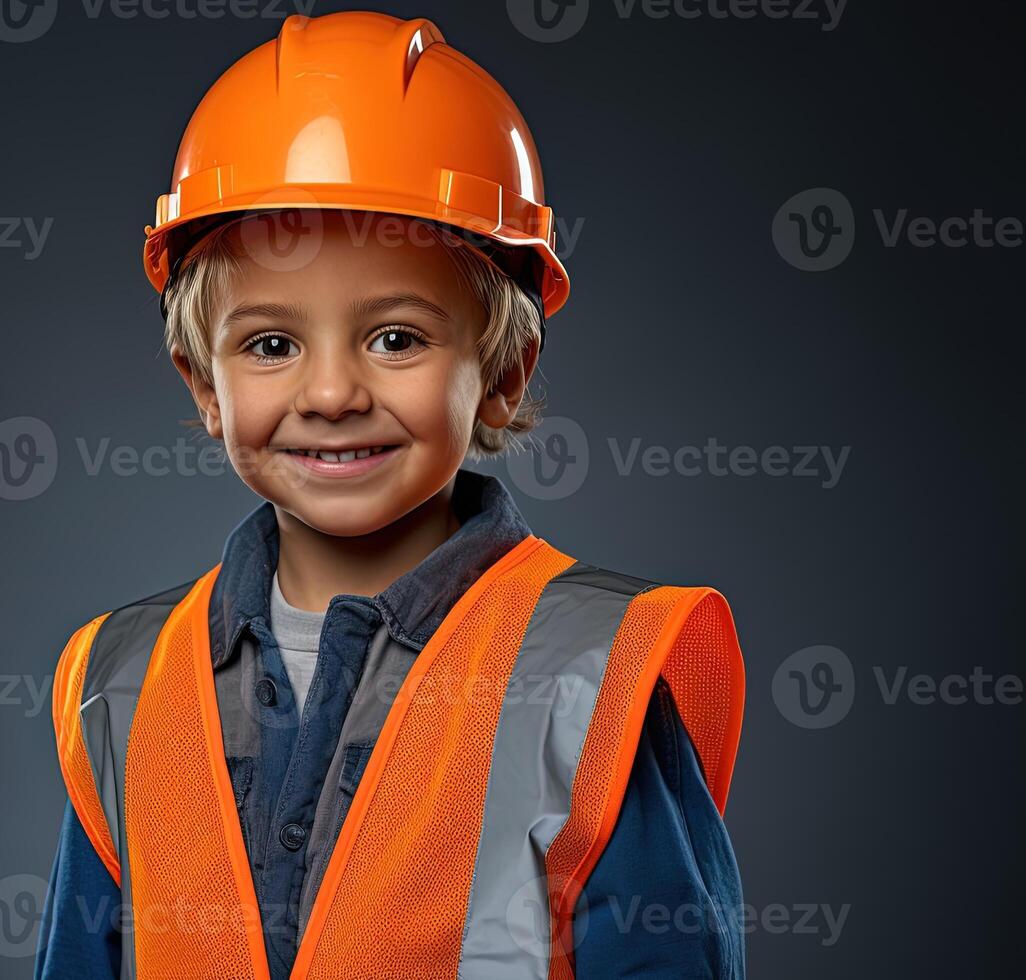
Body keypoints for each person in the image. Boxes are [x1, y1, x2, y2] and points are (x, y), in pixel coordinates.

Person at [36, 11, 745, 979]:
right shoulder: (123, 681)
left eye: (397, 337)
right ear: (205, 383)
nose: (332, 394)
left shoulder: (590, 677)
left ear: (503, 369)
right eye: (272, 344)